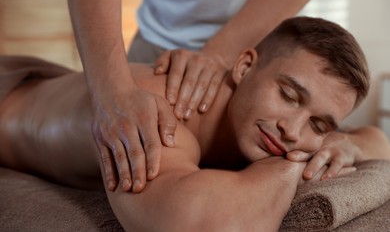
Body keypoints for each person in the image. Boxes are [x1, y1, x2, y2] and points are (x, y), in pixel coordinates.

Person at [1, 17, 389, 231]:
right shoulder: (157, 112)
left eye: (320, 124)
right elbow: (199, 224)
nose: (293, 130)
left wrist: (347, 144)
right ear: (244, 66)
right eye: (288, 96)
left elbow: (378, 143)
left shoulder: (274, 126)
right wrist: (294, 161)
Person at [65, 0, 327, 192]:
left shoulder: (296, 114)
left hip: (264, 52)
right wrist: (111, 90)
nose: (292, 132)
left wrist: (219, 53)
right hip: (158, 43)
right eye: (289, 97)